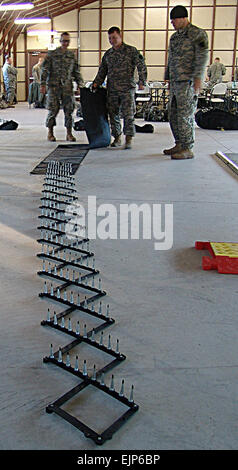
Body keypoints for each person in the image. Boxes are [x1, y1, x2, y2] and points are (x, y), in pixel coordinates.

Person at [164, 5, 209, 160]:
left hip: (188, 82)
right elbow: (170, 59)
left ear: (183, 18)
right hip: (176, 82)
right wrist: (168, 77)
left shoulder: (197, 34)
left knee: (185, 115)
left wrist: (198, 78)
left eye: (174, 20)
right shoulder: (174, 37)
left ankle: (187, 148)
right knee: (173, 114)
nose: (173, 23)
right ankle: (179, 143)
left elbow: (202, 57)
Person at [92, 26, 147, 149]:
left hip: (127, 88)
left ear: (120, 36)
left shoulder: (131, 51)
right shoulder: (108, 54)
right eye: (110, 38)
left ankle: (128, 138)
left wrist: (142, 81)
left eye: (114, 38)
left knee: (128, 114)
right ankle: (117, 137)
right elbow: (102, 71)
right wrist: (96, 83)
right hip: (112, 89)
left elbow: (141, 65)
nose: (112, 40)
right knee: (113, 114)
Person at [40, 32, 83, 142]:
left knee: (69, 110)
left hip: (67, 87)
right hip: (53, 86)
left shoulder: (72, 55)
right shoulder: (52, 54)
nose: (65, 43)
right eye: (63, 41)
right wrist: (42, 84)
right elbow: (44, 70)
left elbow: (76, 71)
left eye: (67, 41)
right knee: (53, 110)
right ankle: (50, 132)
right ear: (60, 41)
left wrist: (80, 85)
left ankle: (69, 133)